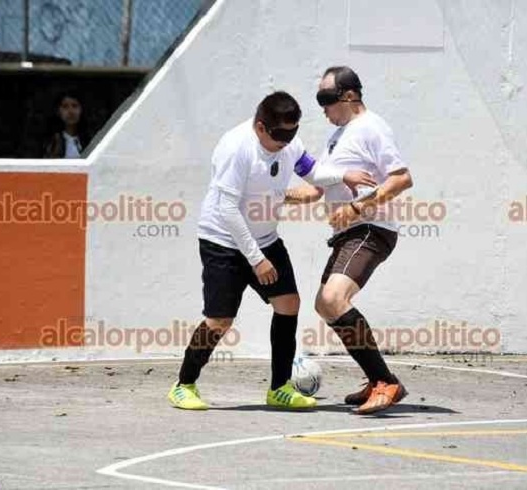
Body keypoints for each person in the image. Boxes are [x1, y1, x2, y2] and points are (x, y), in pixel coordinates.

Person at [168, 91, 375, 410]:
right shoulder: (236, 147)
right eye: (280, 136)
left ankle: (279, 388)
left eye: (291, 134)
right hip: (223, 242)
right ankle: (184, 385)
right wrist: (257, 260)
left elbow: (313, 172)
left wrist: (342, 175)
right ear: (260, 127)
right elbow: (227, 209)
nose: (285, 142)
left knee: (289, 303)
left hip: (265, 239)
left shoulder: (288, 141)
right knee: (219, 321)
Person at [313, 66, 414, 414]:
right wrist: (275, 195)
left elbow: (401, 179)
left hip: (371, 228)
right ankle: (377, 380)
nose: (322, 107)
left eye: (326, 98)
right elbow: (316, 187)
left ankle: (385, 382)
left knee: (334, 298)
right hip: (346, 233)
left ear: (349, 95)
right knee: (325, 305)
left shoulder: (372, 127)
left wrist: (357, 207)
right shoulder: (336, 137)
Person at [43, 91, 91, 159]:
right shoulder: (53, 140)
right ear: (58, 111)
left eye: (75, 106)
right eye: (65, 106)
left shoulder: (90, 138)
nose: (71, 111)